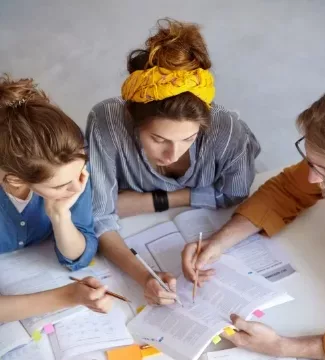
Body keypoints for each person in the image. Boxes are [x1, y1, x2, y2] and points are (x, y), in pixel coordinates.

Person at [182, 81, 325, 360]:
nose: (314, 178)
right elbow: (288, 189)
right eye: (312, 162)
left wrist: (281, 346)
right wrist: (219, 242)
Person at [86, 19, 260, 305]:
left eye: (188, 139)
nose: (173, 154)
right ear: (132, 118)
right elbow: (98, 217)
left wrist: (150, 200)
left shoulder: (227, 130)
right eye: (158, 139)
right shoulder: (107, 121)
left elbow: (235, 193)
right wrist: (145, 276)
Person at [0, 75, 111, 322]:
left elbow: (80, 256)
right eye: (60, 185)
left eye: (81, 172)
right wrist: (68, 296)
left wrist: (60, 216)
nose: (77, 188)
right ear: (16, 180)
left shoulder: (69, 165)